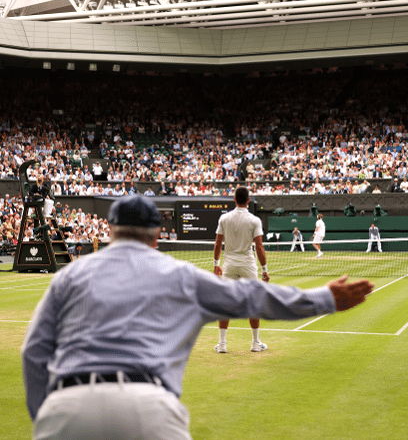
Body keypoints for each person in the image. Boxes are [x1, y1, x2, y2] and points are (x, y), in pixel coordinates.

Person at [22, 195, 373, 440]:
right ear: (158, 235)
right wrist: (323, 299)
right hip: (148, 408)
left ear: (111, 231)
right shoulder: (180, 276)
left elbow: (34, 353)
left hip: (65, 410)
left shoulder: (69, 276)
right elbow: (251, 296)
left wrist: (50, 415)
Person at [213, 186, 270, 353]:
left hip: (229, 265)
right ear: (248, 200)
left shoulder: (224, 218)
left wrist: (216, 264)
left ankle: (222, 344)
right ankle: (255, 343)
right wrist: (264, 270)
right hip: (248, 265)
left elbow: (217, 243)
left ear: (234, 199)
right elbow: (259, 246)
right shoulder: (254, 220)